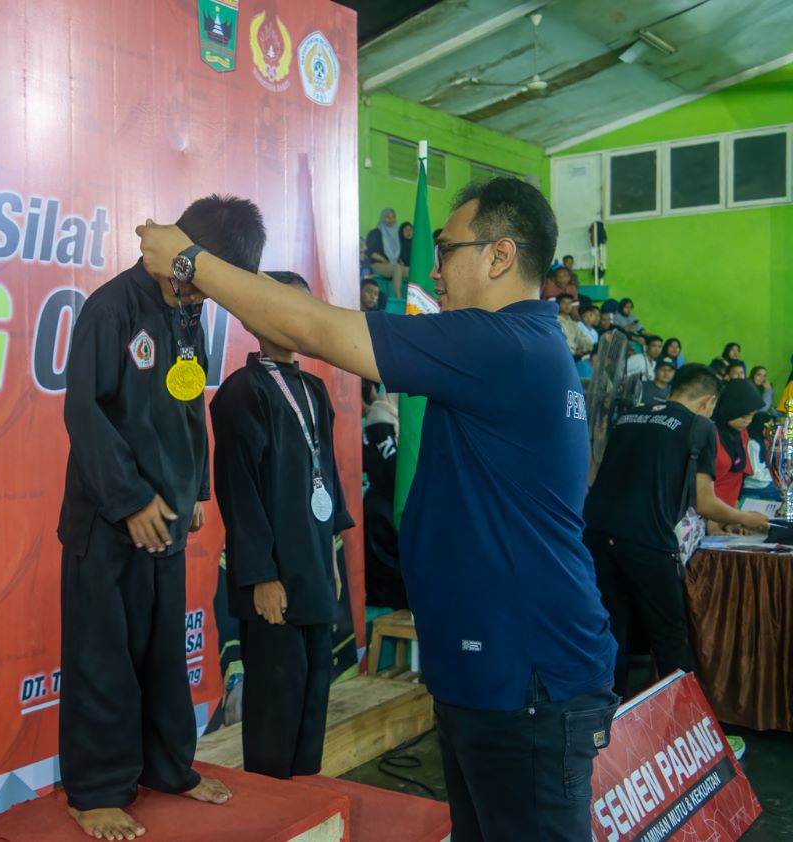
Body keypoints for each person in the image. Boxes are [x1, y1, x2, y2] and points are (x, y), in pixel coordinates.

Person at [137, 176, 618, 840]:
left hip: (525, 681)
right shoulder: (518, 346)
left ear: (500, 257)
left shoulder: (498, 345)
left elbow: (306, 324)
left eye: (446, 251)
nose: (434, 271)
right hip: (498, 676)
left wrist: (191, 260)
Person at [59, 195, 264, 840]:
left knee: (163, 657)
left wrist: (195, 488)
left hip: (170, 519)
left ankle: (171, 768)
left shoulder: (187, 317)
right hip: (109, 523)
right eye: (202, 277)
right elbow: (83, 413)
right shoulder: (111, 308)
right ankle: (94, 791)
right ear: (180, 257)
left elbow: (187, 407)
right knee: (103, 658)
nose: (206, 294)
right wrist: (130, 500)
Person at [210, 270, 353, 781]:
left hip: (314, 571)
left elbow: (328, 477)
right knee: (276, 719)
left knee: (314, 707)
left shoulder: (314, 390)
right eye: (282, 309)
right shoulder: (240, 393)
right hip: (273, 584)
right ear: (255, 317)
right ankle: (275, 819)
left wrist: (333, 555)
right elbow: (238, 494)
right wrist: (260, 577)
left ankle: (308, 815)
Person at [584, 365, 768, 697]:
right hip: (647, 539)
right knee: (670, 637)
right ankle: (683, 726)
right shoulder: (699, 426)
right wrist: (747, 518)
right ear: (708, 402)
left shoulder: (629, 417)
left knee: (613, 633)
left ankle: (609, 725)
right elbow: (705, 500)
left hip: (597, 533)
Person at [361, 384, 405, 609]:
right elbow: (394, 477)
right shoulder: (380, 419)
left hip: (385, 513)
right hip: (384, 519)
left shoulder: (386, 417)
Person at [711, 380, 765, 510]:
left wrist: (735, 511)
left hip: (729, 508)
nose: (749, 421)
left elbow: (738, 477)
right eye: (745, 416)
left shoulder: (741, 432)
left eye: (752, 416)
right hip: (709, 512)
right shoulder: (710, 434)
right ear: (732, 408)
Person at [365, 208, 408, 300]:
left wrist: (399, 261)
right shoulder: (375, 233)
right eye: (387, 217)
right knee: (397, 269)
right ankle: (398, 297)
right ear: (382, 218)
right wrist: (383, 260)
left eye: (393, 217)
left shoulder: (397, 235)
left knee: (411, 271)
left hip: (392, 264)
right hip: (377, 264)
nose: (390, 219)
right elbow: (369, 252)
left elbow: (398, 254)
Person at [555, 293, 593, 366]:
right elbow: (562, 342)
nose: (567, 306)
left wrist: (587, 347)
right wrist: (575, 352)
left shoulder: (572, 323)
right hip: (564, 358)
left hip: (575, 356)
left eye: (569, 303)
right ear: (557, 304)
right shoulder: (555, 321)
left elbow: (581, 338)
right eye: (564, 303)